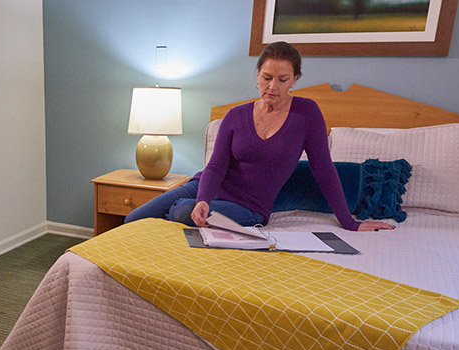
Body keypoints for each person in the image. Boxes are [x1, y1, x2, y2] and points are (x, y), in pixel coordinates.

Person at [124, 42, 395, 232]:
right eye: (266, 78)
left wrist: (349, 222)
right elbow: (216, 166)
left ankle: (180, 212)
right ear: (257, 76)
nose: (272, 87)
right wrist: (204, 198)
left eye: (282, 79)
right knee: (132, 220)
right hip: (202, 188)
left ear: (295, 79)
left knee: (183, 212)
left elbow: (323, 169)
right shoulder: (235, 115)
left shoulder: (307, 114)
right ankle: (181, 211)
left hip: (248, 208)